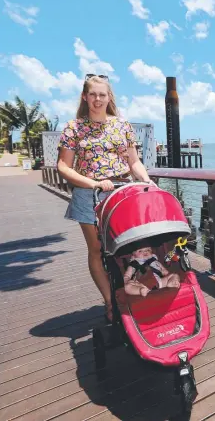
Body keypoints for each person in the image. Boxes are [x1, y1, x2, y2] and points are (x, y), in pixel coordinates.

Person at [57, 74, 154, 323]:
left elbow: (134, 161)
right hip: (89, 194)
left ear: (109, 97)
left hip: (121, 192)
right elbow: (64, 167)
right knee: (97, 250)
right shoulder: (74, 128)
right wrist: (93, 183)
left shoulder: (121, 126)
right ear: (84, 96)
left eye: (102, 94)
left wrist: (145, 180)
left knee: (129, 245)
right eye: (93, 94)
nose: (98, 99)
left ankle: (132, 293)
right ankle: (111, 301)